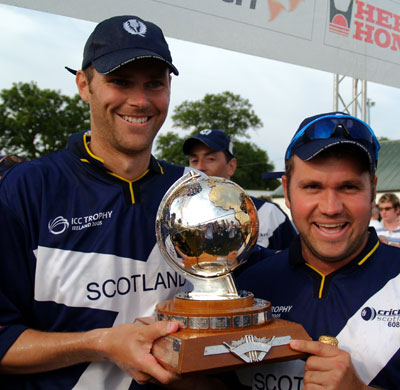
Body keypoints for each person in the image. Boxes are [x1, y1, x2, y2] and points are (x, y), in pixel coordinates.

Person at [0, 15, 197, 390]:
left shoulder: (193, 192)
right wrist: (100, 344)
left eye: (154, 83)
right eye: (120, 82)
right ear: (84, 85)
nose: (139, 101)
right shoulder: (26, 188)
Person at [235, 112, 400, 389]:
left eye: (348, 187)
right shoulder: (247, 287)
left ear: (372, 189)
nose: (331, 207)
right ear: (287, 192)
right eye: (312, 187)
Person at [182, 129, 297, 251]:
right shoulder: (180, 217)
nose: (200, 168)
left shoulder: (267, 214)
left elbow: (296, 264)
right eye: (194, 161)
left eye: (210, 159)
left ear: (231, 166)